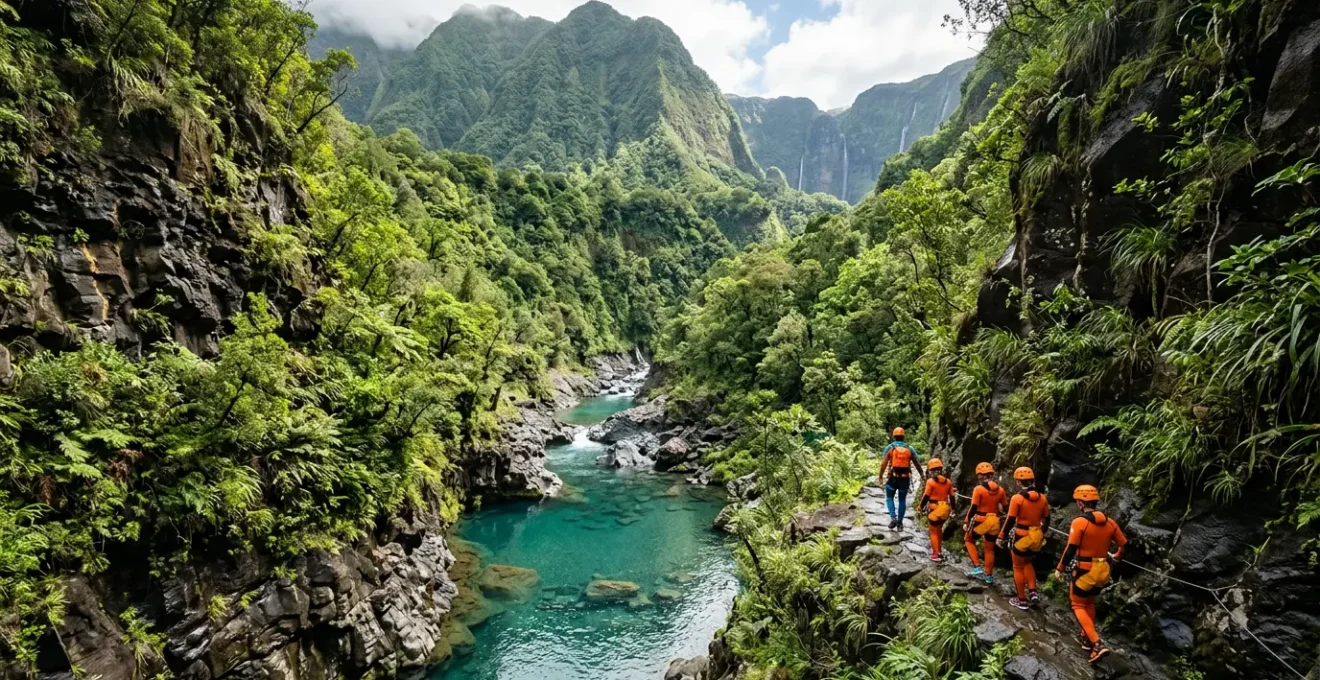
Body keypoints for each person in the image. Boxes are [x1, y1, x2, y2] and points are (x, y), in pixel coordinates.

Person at [1054, 484, 1128, 664]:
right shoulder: (1110, 523)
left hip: (1084, 570)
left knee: (1078, 605)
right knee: (1090, 602)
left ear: (1080, 503)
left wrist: (1060, 568)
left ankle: (1097, 644)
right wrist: (1117, 556)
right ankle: (1086, 637)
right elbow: (1123, 544)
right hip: (1103, 570)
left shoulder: (1080, 522)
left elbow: (1071, 548)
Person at [997, 466, 1050, 610]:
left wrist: (1001, 536)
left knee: (1018, 567)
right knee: (1028, 563)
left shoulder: (1017, 499)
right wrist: (1041, 533)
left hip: (1021, 535)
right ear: (1032, 481)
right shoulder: (1042, 498)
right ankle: (1033, 592)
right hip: (1036, 535)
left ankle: (1022, 599)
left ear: (1019, 482)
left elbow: (1010, 519)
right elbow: (1047, 519)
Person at [963, 461, 1007, 584]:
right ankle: (988, 576)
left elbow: (973, 507)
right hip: (995, 521)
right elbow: (1005, 507)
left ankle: (977, 566)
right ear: (991, 475)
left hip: (981, 520)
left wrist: (967, 520)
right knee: (989, 549)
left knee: (968, 540)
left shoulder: (979, 489)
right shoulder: (1001, 490)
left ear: (979, 476)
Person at [877, 427, 921, 530]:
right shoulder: (909, 448)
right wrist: (923, 475)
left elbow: (883, 464)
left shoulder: (889, 448)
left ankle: (893, 518)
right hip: (905, 479)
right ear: (903, 436)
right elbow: (917, 463)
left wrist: (880, 477)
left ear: (894, 436)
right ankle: (900, 523)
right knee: (902, 500)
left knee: (889, 498)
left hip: (892, 477)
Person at [918, 458, 955, 562]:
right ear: (941, 470)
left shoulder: (930, 482)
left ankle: (935, 554)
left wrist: (920, 506)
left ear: (930, 471)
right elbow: (952, 497)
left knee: (933, 532)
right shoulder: (948, 482)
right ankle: (939, 551)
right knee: (939, 530)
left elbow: (926, 496)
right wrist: (953, 510)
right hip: (945, 510)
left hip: (935, 509)